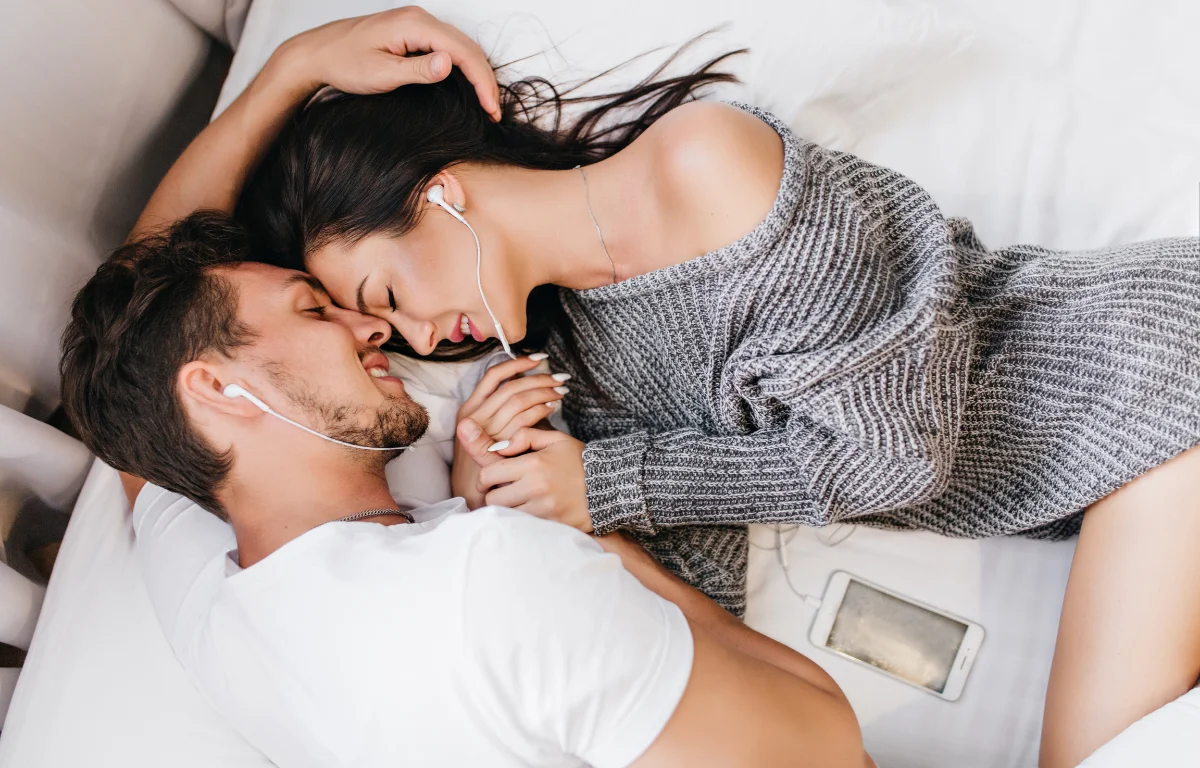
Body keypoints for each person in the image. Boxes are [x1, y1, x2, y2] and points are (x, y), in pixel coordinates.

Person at [233, 18, 1200, 768]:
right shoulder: (577, 361)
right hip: (1097, 473)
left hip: (1147, 370)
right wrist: (520, 510)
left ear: (438, 193)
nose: (412, 338)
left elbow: (896, 453)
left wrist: (604, 486)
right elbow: (703, 605)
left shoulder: (707, 165)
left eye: (389, 298)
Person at [59, 9, 872, 768]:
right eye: (316, 309)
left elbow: (139, 353)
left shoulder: (216, 604)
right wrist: (566, 531)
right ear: (219, 391)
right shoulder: (495, 583)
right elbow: (826, 737)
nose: (375, 330)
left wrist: (292, 69)